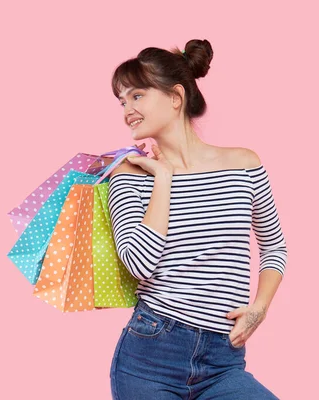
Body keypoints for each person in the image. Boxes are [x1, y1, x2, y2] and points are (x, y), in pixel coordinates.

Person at [107, 39, 287, 399]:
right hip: (150, 357)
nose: (127, 109)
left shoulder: (244, 164)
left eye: (137, 96)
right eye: (122, 100)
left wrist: (259, 308)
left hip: (224, 361)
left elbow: (274, 246)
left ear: (175, 97)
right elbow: (138, 264)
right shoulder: (128, 173)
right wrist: (163, 178)